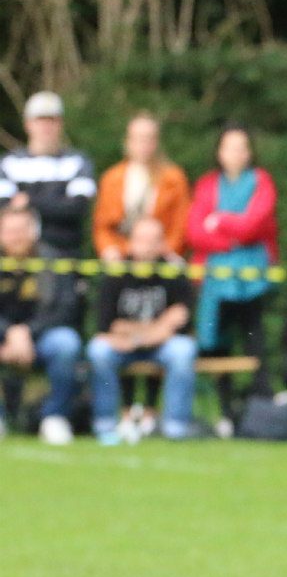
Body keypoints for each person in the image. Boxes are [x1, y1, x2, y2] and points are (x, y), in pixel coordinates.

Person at [188, 124, 278, 428]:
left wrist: (221, 221)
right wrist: (232, 238)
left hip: (252, 280)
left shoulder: (261, 181)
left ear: (249, 153)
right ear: (219, 152)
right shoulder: (207, 185)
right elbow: (196, 232)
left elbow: (254, 224)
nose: (235, 153)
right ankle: (224, 410)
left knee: (255, 344)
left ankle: (260, 410)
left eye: (241, 147)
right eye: (229, 147)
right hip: (216, 282)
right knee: (217, 346)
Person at [85, 217, 199, 443]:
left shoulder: (174, 273)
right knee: (98, 351)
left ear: (162, 244)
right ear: (130, 243)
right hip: (127, 345)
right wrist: (158, 327)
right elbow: (106, 327)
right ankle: (106, 424)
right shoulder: (116, 273)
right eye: (141, 240)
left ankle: (175, 427)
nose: (146, 247)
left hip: (158, 346)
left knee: (184, 350)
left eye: (152, 241)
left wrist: (134, 334)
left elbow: (182, 326)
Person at [0, 203, 80, 442]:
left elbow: (65, 307)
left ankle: (54, 417)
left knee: (67, 343)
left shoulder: (52, 261)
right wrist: (9, 333)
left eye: (22, 230)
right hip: (3, 339)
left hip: (41, 338)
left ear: (34, 232)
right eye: (9, 230)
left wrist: (27, 332)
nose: (16, 237)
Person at [0, 91, 97, 257]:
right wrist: (56, 204)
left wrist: (30, 201)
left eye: (52, 120)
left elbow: (76, 209)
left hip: (64, 254)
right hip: (15, 258)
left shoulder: (78, 161)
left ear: (61, 124)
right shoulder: (9, 163)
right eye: (40, 120)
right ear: (28, 123)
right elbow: (4, 209)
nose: (46, 127)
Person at [93, 113, 190, 261]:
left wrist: (166, 251)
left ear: (157, 142)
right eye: (138, 138)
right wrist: (109, 249)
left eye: (149, 138)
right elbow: (102, 226)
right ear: (127, 141)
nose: (144, 144)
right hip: (122, 255)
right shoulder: (111, 178)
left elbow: (180, 225)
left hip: (161, 256)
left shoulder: (174, 178)